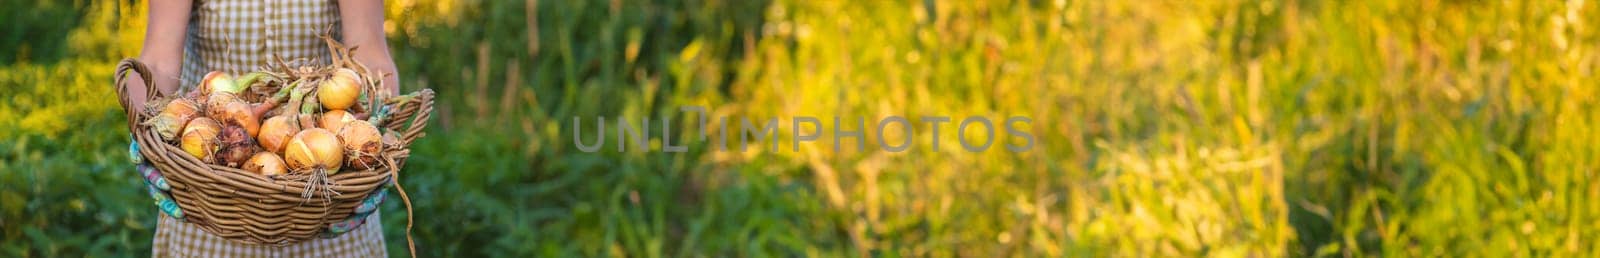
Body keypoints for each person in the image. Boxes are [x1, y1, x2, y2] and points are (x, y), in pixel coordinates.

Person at [122, 0, 400, 256]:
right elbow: (158, 61)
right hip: (207, 189)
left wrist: (378, 145)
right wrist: (146, 131)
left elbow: (371, 58)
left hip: (329, 200)